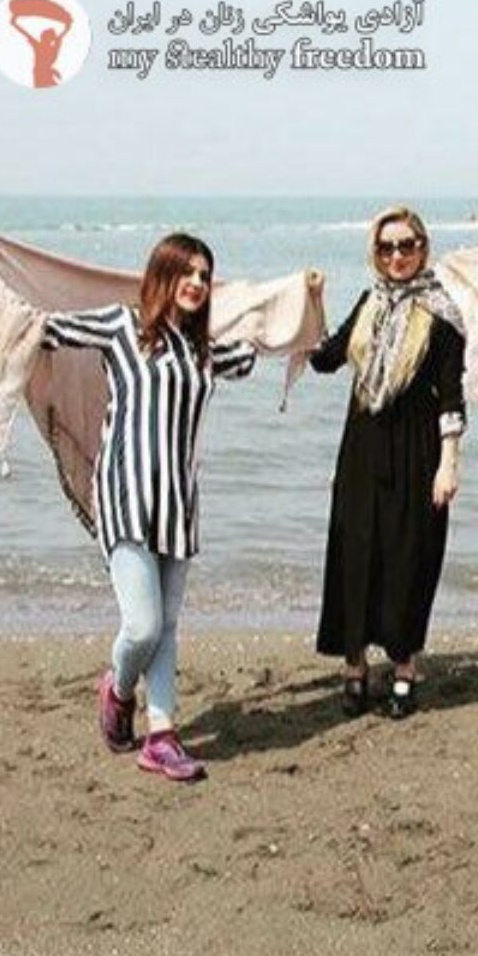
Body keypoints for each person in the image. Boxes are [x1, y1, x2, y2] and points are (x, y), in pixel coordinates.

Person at [38, 234, 292, 780]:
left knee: (168, 625)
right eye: (187, 272)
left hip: (179, 502)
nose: (197, 282)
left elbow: (257, 349)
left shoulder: (204, 352)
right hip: (125, 495)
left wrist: (302, 295)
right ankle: (117, 687)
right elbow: (47, 328)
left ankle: (161, 735)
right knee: (143, 626)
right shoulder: (121, 325)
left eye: (205, 275)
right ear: (163, 275)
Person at [309, 206, 467, 719]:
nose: (396, 256)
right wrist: (313, 301)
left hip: (417, 450)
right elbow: (324, 358)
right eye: (385, 247)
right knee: (354, 553)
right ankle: (354, 666)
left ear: (423, 247)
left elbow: (452, 396)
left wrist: (449, 463)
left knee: (408, 556)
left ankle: (404, 668)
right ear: (374, 253)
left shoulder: (442, 313)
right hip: (361, 447)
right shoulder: (368, 302)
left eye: (406, 245)